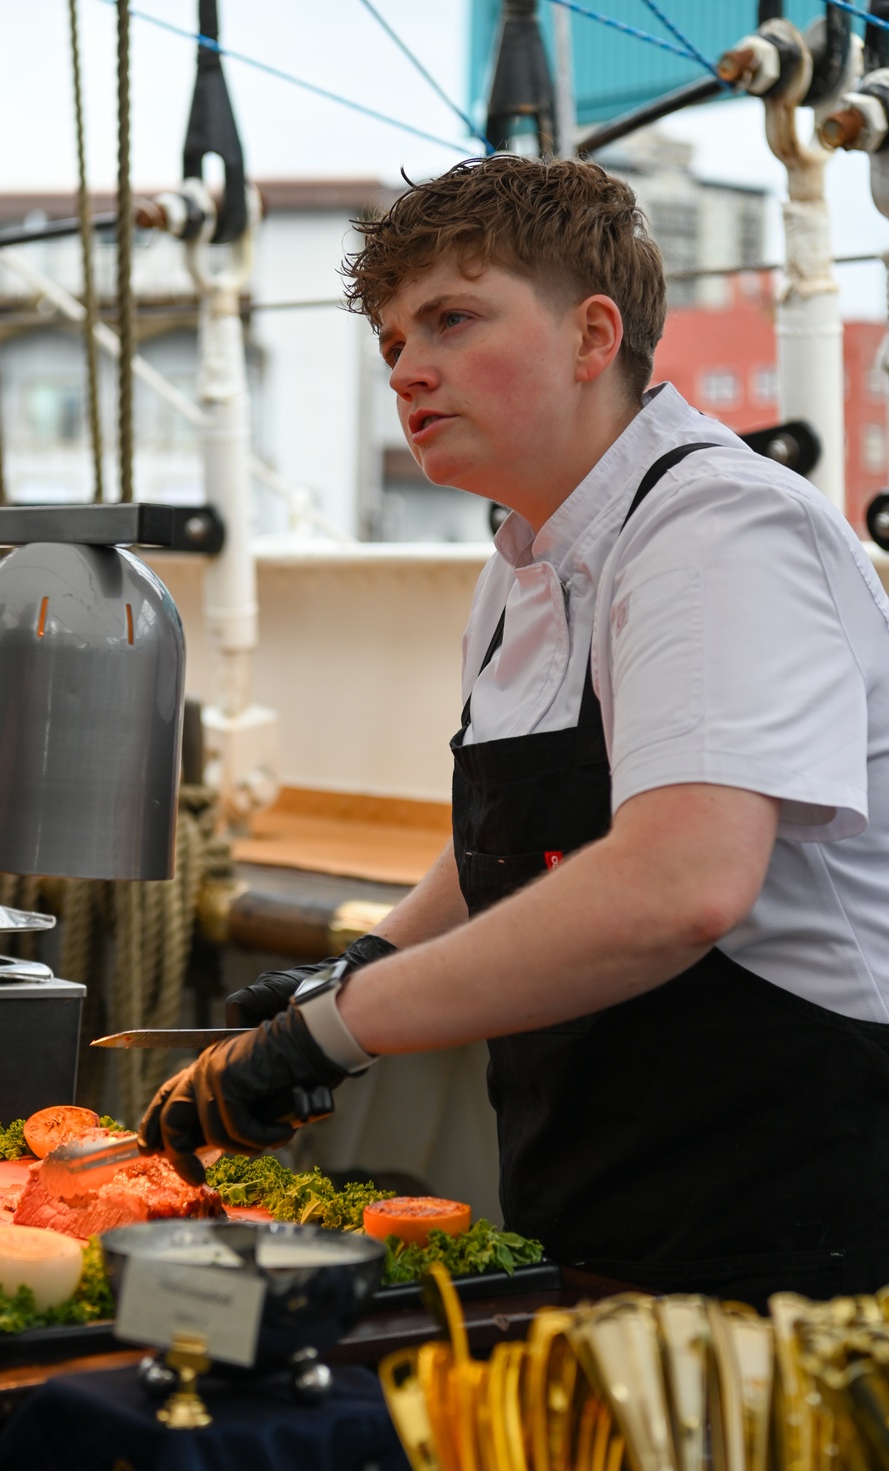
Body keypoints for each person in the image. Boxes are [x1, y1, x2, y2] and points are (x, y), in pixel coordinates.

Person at [141, 155, 889, 1308]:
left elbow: (678, 883)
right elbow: (520, 837)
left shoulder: (717, 531)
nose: (409, 370)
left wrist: (337, 1033)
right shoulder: (524, 560)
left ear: (594, 337)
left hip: (801, 1210)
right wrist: (368, 958)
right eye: (392, 342)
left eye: (450, 319)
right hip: (608, 1189)